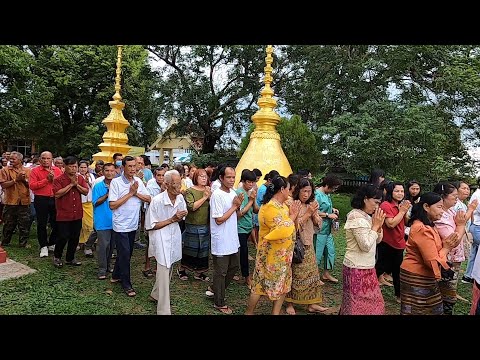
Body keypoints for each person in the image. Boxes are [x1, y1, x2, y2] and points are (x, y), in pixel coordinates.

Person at [245, 175, 301, 315]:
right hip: (270, 255)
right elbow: (280, 231)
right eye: (289, 189)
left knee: (283, 285)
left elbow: (294, 227)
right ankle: (249, 312)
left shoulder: (283, 205)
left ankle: (275, 313)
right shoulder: (269, 207)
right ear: (282, 189)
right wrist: (293, 216)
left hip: (284, 254)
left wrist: (295, 216)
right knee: (259, 286)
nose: (290, 192)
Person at [400, 192, 461, 315]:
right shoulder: (421, 228)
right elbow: (431, 261)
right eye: (439, 207)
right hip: (417, 276)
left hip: (421, 275)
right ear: (426, 207)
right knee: (418, 310)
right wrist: (447, 247)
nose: (442, 211)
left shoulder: (428, 226)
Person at [145, 170, 187, 315]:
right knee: (163, 270)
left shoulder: (180, 198)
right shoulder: (157, 201)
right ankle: (163, 310)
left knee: (169, 268)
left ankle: (155, 294)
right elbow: (151, 225)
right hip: (160, 236)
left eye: (180, 184)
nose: (179, 188)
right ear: (167, 184)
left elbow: (182, 214)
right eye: (175, 185)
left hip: (174, 235)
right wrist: (172, 219)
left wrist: (181, 216)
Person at [339, 184, 386, 315]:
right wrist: (375, 227)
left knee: (372, 304)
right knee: (356, 306)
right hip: (356, 267)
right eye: (375, 202)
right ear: (365, 199)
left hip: (367, 266)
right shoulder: (355, 216)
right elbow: (365, 246)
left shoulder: (367, 216)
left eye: (379, 203)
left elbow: (377, 240)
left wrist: (379, 227)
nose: (377, 206)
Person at [109, 156, 151, 297]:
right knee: (125, 254)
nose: (133, 169)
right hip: (120, 225)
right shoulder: (116, 183)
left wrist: (136, 192)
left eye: (135, 166)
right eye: (130, 166)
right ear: (123, 168)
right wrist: (130, 193)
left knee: (126, 253)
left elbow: (148, 198)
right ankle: (126, 284)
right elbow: (112, 205)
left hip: (133, 225)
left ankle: (115, 275)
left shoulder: (138, 181)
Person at [285, 177, 328, 315]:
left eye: (309, 191)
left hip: (308, 243)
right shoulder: (292, 203)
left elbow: (319, 225)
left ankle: (311, 303)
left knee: (312, 274)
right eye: (304, 191)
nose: (306, 194)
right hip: (295, 245)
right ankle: (289, 303)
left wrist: (315, 216)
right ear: (298, 190)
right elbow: (292, 226)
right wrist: (308, 213)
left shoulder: (312, 203)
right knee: (293, 274)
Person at [433, 181, 475, 314]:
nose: (456, 199)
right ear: (442, 196)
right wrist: (461, 225)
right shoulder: (440, 216)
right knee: (445, 294)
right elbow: (453, 240)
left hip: (453, 258)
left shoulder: (450, 210)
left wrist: (462, 222)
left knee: (449, 291)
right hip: (446, 259)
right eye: (454, 196)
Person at [208, 166, 243, 314]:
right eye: (228, 177)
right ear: (221, 178)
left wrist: (239, 206)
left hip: (232, 238)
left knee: (234, 267)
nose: (231, 180)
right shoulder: (217, 195)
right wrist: (234, 206)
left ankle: (215, 288)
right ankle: (219, 302)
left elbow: (237, 215)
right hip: (221, 239)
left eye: (233, 177)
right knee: (221, 272)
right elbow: (219, 220)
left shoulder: (233, 192)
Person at [52, 156, 89, 268]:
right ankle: (57, 256)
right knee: (63, 236)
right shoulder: (58, 179)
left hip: (77, 212)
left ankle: (70, 257)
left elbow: (86, 191)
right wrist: (71, 185)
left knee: (75, 236)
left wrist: (76, 184)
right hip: (64, 213)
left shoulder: (80, 179)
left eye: (75, 166)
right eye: (71, 166)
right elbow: (57, 194)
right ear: (65, 167)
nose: (74, 169)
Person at [178, 168, 212, 282]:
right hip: (192, 224)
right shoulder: (189, 191)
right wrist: (205, 197)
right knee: (190, 248)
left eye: (205, 176)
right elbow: (192, 207)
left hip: (205, 224)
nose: (203, 178)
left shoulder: (209, 190)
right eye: (201, 176)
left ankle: (200, 272)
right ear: (195, 178)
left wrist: (209, 196)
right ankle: (182, 269)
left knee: (203, 249)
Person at [29, 151, 63, 257]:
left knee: (57, 222)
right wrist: (46, 180)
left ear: (52, 159)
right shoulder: (35, 171)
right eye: (43, 158)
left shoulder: (57, 170)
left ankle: (52, 242)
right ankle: (43, 246)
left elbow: (61, 184)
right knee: (42, 223)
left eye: (48, 158)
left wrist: (54, 181)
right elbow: (32, 185)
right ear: (40, 159)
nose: (46, 160)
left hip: (55, 198)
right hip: (41, 198)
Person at [314, 174, 342, 283]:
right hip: (319, 229)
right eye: (333, 188)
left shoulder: (327, 194)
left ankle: (326, 274)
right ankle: (314, 276)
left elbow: (326, 206)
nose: (334, 190)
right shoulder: (317, 195)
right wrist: (327, 215)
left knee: (330, 251)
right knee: (318, 253)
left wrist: (333, 210)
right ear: (327, 185)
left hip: (328, 229)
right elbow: (313, 212)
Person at [0, 151, 31, 247]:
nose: (11, 160)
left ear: (20, 160)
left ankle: (23, 243)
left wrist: (24, 180)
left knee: (24, 224)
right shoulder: (4, 170)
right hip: (10, 200)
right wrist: (15, 180)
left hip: (24, 200)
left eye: (14, 159)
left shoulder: (27, 170)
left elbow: (31, 185)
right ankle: (5, 242)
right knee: (8, 223)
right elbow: (3, 185)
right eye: (10, 159)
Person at [91, 163, 116, 280]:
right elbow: (95, 202)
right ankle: (101, 269)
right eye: (107, 170)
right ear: (103, 171)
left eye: (112, 170)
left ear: (115, 171)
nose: (109, 173)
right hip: (102, 220)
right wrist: (107, 194)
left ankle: (108, 265)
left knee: (111, 246)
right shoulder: (98, 186)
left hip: (115, 221)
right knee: (103, 246)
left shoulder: (118, 185)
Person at [235, 169, 259, 287]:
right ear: (243, 181)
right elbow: (240, 213)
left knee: (244, 251)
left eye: (253, 182)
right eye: (249, 182)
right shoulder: (239, 193)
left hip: (248, 226)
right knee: (243, 253)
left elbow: (255, 210)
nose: (251, 184)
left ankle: (239, 272)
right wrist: (250, 200)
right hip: (240, 228)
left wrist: (253, 199)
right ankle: (247, 277)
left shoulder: (251, 192)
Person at [143, 167, 167, 278]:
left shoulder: (168, 185)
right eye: (159, 175)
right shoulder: (150, 186)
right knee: (150, 242)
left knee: (161, 242)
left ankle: (158, 266)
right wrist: (161, 192)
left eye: (163, 175)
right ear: (154, 176)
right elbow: (149, 200)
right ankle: (147, 266)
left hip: (164, 218)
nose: (161, 177)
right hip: (152, 218)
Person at [462, 178, 480, 284]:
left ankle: (468, 276)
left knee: (475, 252)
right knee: (477, 252)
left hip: (475, 225)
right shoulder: (478, 195)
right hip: (477, 226)